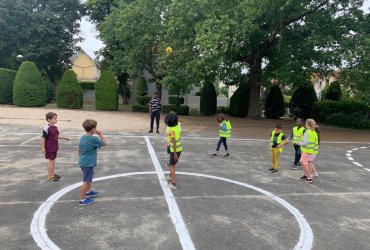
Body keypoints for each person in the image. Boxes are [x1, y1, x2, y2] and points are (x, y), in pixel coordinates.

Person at [77, 119, 107, 205]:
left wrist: (81, 159)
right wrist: (100, 134)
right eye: (95, 128)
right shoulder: (93, 139)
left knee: (90, 175)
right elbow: (104, 143)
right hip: (88, 162)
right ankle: (82, 199)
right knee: (86, 180)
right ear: (93, 129)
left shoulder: (82, 137)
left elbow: (78, 149)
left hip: (82, 161)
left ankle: (88, 191)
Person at [41, 112, 70, 181]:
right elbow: (43, 138)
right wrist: (43, 147)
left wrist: (64, 138)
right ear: (49, 120)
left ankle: (52, 174)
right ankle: (50, 176)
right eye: (54, 118)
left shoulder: (55, 127)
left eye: (56, 118)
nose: (56, 120)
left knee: (53, 161)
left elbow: (56, 136)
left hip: (54, 147)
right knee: (51, 161)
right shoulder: (46, 128)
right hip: (49, 147)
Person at [298, 119, 319, 184]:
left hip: (307, 150)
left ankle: (309, 178)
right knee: (303, 162)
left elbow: (305, 143)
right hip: (312, 151)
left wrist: (299, 142)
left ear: (308, 124)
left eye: (306, 123)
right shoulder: (314, 132)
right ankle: (307, 176)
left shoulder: (307, 132)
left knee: (304, 163)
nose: (305, 124)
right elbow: (315, 142)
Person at [164, 112, 182, 190]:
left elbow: (174, 143)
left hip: (175, 149)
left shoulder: (171, 131)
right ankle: (171, 176)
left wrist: (175, 154)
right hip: (177, 149)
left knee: (171, 165)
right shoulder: (177, 125)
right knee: (171, 163)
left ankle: (173, 184)